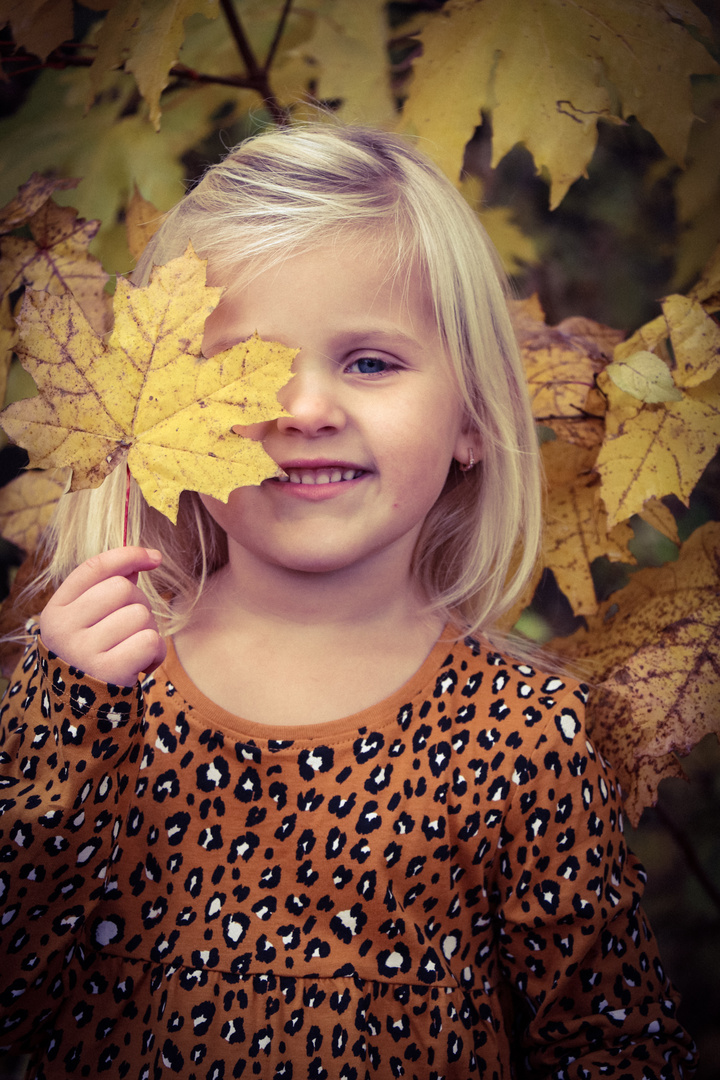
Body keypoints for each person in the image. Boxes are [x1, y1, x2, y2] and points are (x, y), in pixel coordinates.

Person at [0, 124, 696, 1079]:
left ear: (473, 422)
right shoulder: (94, 695)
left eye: (370, 362)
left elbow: (610, 1044)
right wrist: (57, 718)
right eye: (242, 367)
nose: (305, 408)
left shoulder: (527, 736)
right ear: (159, 411)